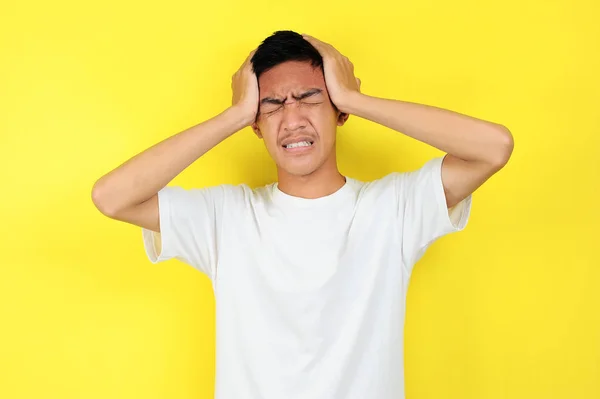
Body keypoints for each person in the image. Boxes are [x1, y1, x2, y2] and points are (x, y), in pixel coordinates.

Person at [92, 30, 513, 399]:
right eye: (273, 105)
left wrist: (355, 97)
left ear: (339, 112)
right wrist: (235, 114)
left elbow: (494, 148)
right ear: (255, 125)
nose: (292, 119)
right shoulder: (225, 219)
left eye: (310, 98)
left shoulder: (393, 210)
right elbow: (111, 197)